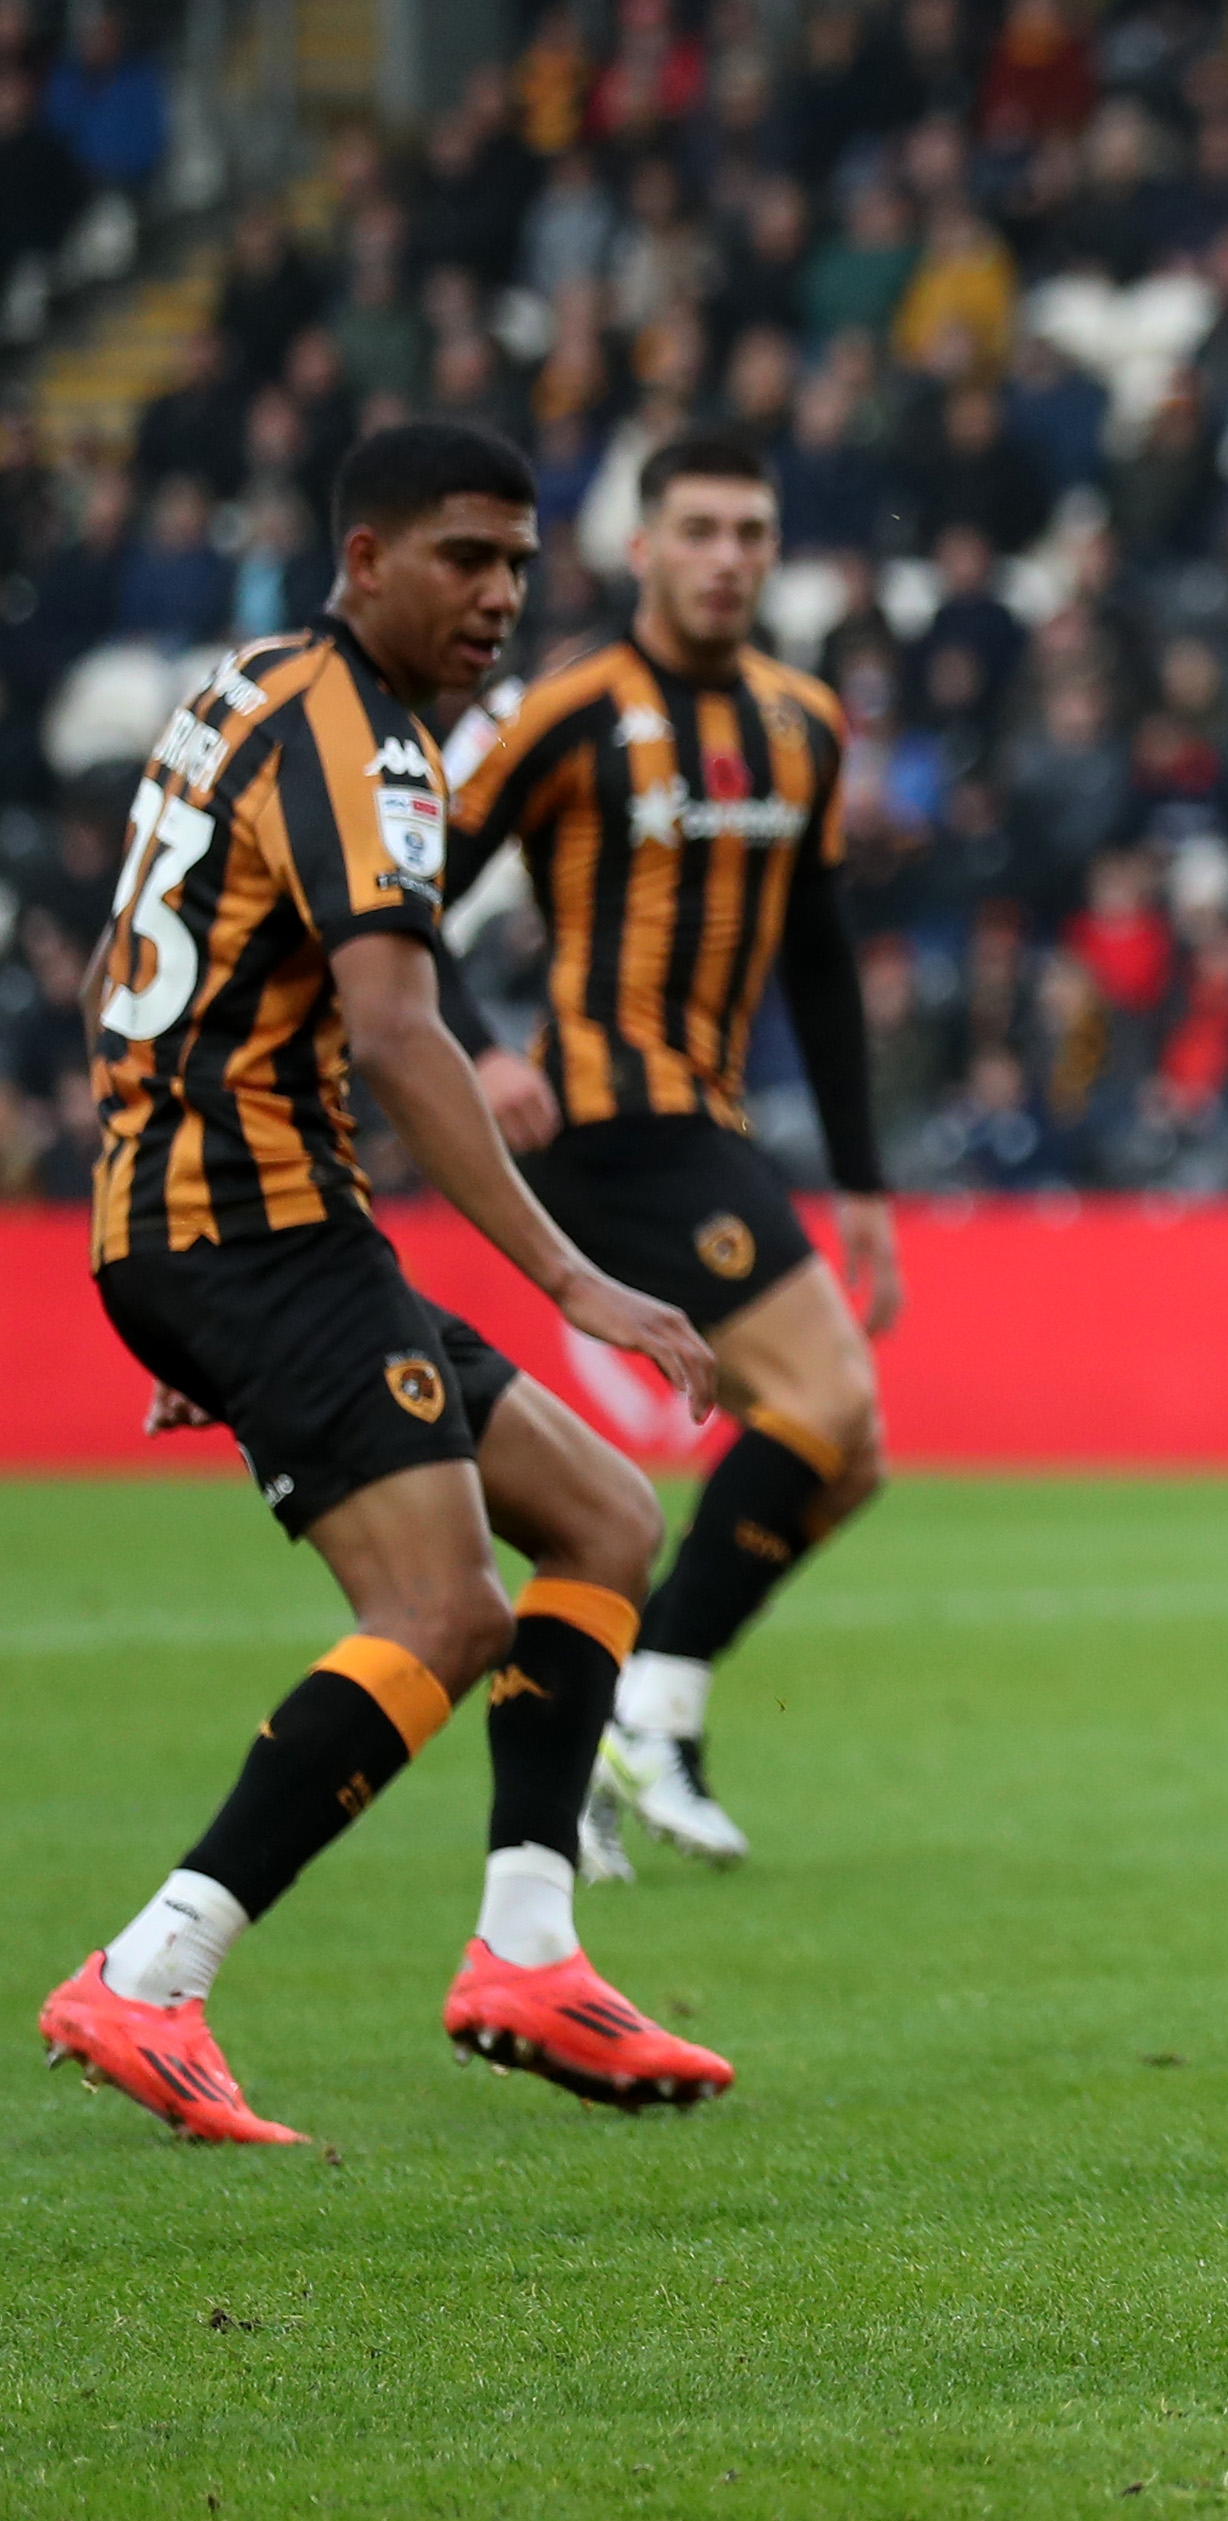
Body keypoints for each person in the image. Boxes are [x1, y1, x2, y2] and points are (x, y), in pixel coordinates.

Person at [39, 422, 732, 2144]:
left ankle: (528, 1950)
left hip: (229, 1224)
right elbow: (400, 1031)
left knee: (605, 1518)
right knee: (443, 1610)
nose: (500, 594)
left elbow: (148, 956)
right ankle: (149, 1969)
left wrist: (172, 1252)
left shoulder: (243, 689)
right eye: (463, 559)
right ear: (365, 559)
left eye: (518, 561)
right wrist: (579, 1277)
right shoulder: (373, 743)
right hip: (254, 1225)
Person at [438, 431, 895, 1873]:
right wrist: (483, 1044)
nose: (725, 558)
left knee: (851, 1453)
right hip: (600, 1121)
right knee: (824, 1394)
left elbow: (820, 961)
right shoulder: (564, 710)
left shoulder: (801, 721)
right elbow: (395, 898)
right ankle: (651, 1708)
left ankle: (616, 1727)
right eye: (697, 529)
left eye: (750, 533)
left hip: (713, 1123)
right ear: (640, 547)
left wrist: (866, 1181)